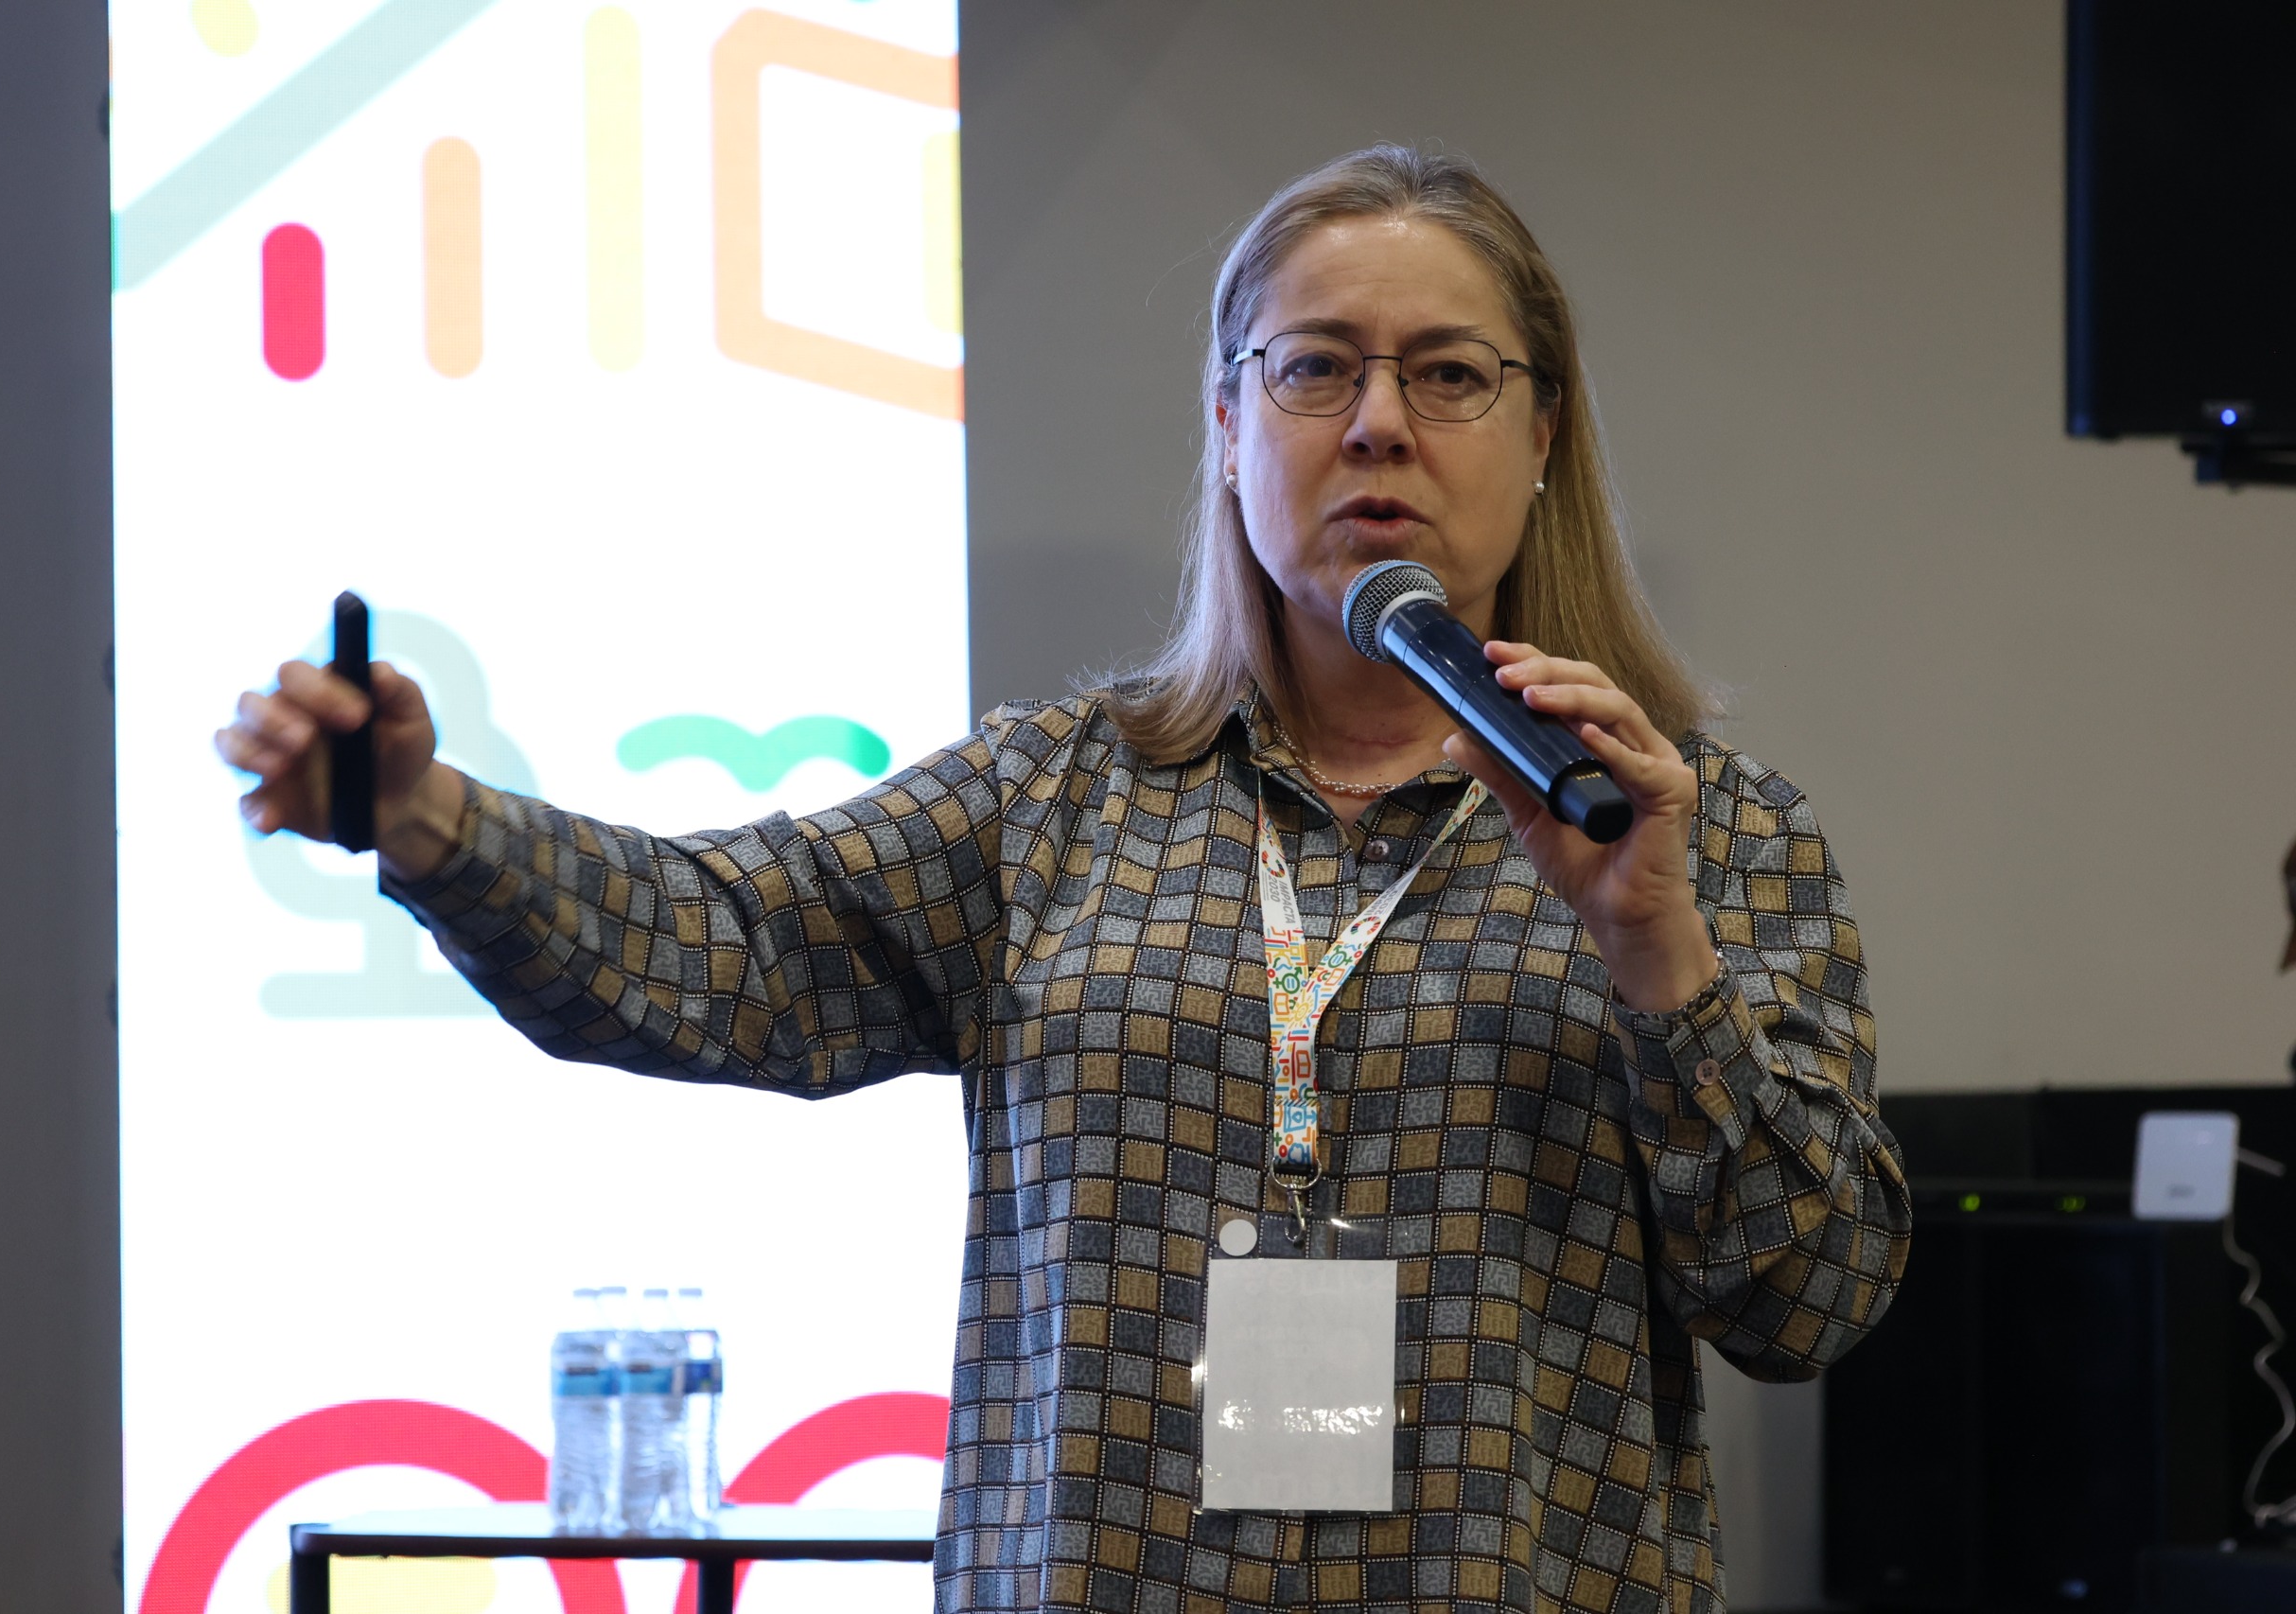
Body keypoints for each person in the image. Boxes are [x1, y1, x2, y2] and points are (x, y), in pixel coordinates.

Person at [218, 145, 1909, 1614]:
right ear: (1230, 426)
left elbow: (1810, 1297)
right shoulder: (1054, 802)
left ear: (1543, 434)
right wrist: (427, 816)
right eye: (1317, 368)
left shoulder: (1700, 833)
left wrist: (1656, 949)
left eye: (1450, 374)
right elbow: (718, 946)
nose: (1380, 422)